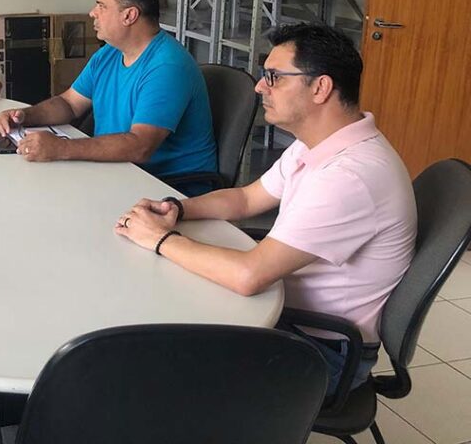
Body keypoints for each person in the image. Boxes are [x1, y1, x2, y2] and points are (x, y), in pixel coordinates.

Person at [115, 23, 416, 396]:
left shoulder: (350, 176)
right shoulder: (318, 143)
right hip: (284, 312)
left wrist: (161, 239)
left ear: (320, 88)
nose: (260, 87)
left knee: (145, 369)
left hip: (317, 351)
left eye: (274, 77)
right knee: (151, 315)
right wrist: (177, 208)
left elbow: (249, 276)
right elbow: (246, 199)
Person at [0, 0, 217, 192]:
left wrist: (61, 148)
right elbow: (69, 104)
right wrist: (22, 116)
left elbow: (141, 146)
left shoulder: (168, 66)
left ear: (129, 16)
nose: (92, 13)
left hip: (165, 187)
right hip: (116, 171)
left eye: (102, 6)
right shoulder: (109, 53)